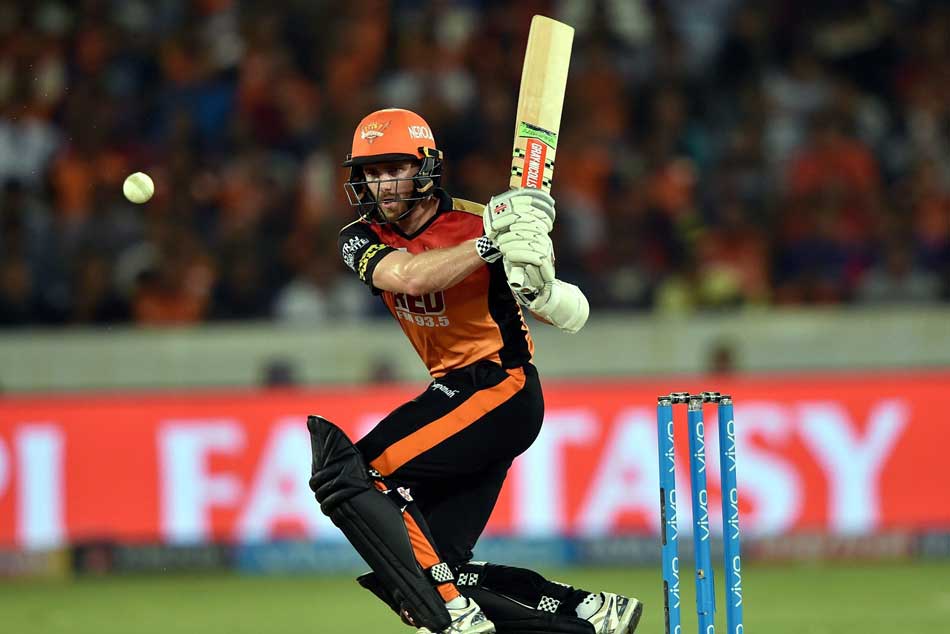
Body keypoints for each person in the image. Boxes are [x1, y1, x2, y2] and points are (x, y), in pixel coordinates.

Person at [307, 108, 642, 634]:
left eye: (393, 168)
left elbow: (570, 313)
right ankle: (587, 613)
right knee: (421, 577)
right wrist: (490, 246)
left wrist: (539, 281)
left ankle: (450, 607)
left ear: (425, 167)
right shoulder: (362, 236)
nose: (381, 184)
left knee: (357, 473)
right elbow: (409, 277)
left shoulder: (481, 220)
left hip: (500, 387)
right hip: (458, 394)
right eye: (370, 173)